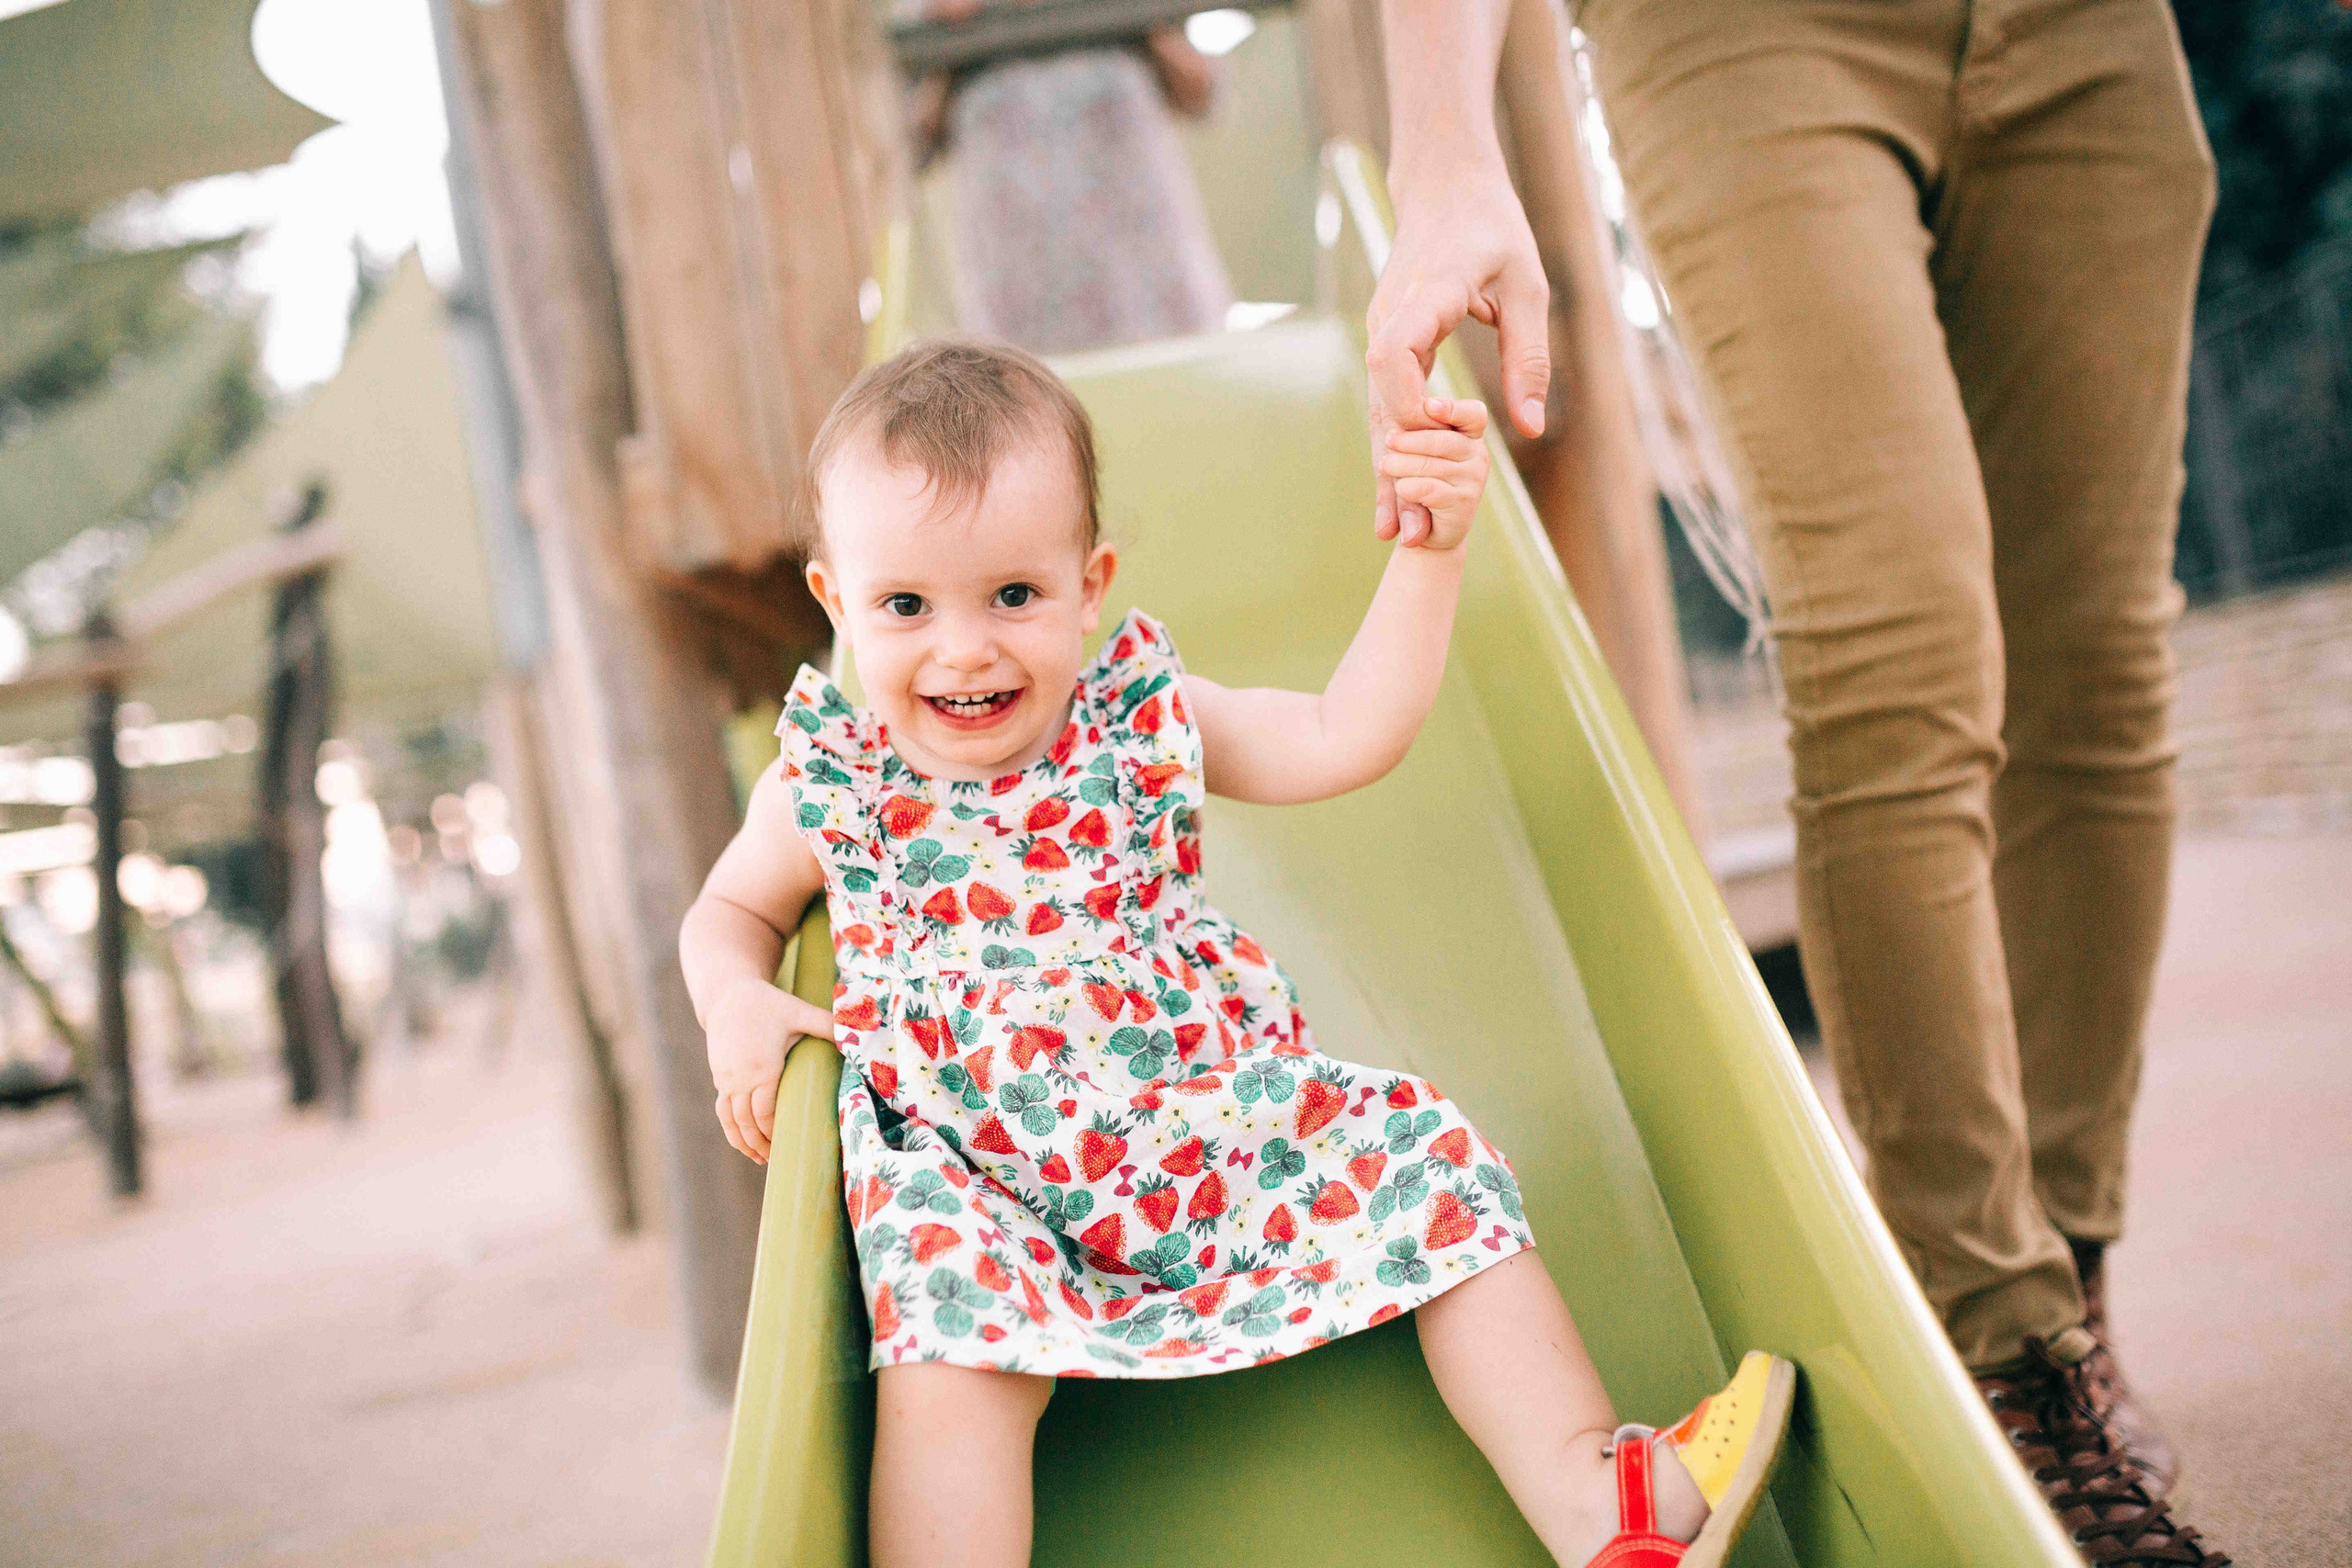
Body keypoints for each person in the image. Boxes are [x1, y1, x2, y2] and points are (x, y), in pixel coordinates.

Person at [680, 338, 1792, 1568]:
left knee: (1430, 1163)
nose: (964, 650)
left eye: (1013, 596)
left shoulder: (1139, 719)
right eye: (906, 607)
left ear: (1089, 584)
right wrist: (733, 998)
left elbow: (1341, 732)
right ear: (839, 604)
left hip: (1201, 1128)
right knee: (948, 1364)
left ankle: (1603, 1504)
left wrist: (1428, 555)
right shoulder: (833, 784)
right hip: (975, 1178)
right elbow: (728, 912)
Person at [1364, 0, 2226, 1561]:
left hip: (2088, 34)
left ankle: (2071, 1274)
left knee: (2096, 659)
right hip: (1743, 35)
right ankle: (2006, 1349)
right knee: (1895, 645)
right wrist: (1444, 149)